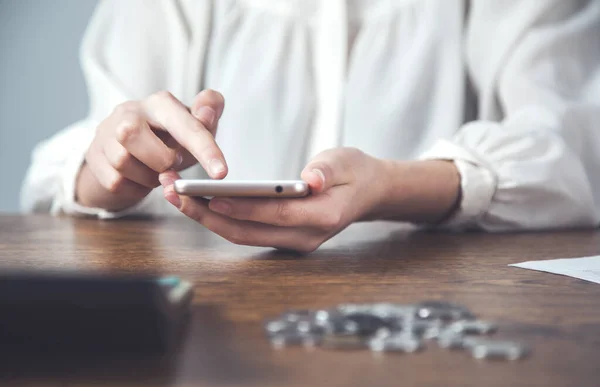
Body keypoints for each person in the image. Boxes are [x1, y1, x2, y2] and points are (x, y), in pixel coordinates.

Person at [21, 0, 600, 252]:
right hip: (205, 331)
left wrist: (391, 186)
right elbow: (77, 157)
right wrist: (113, 166)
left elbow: (572, 153)